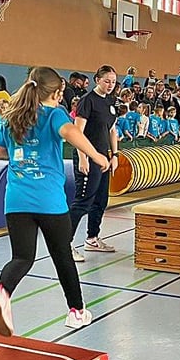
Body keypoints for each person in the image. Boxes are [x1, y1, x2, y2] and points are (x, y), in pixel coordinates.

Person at [0, 66, 111, 336]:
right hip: (49, 201)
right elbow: (70, 132)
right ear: (56, 93)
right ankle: (76, 312)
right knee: (63, 256)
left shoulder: (11, 117)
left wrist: (22, 150)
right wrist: (97, 155)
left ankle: (1, 292)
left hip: (16, 200)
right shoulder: (54, 114)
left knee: (21, 257)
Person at [68, 65, 120, 262]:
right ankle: (65, 244)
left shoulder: (111, 102)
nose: (110, 85)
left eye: (113, 82)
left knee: (100, 201)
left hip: (104, 159)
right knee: (83, 202)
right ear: (97, 80)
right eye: (107, 81)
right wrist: (83, 157)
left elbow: (112, 130)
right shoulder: (86, 102)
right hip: (88, 158)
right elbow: (77, 132)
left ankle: (92, 238)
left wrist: (114, 155)